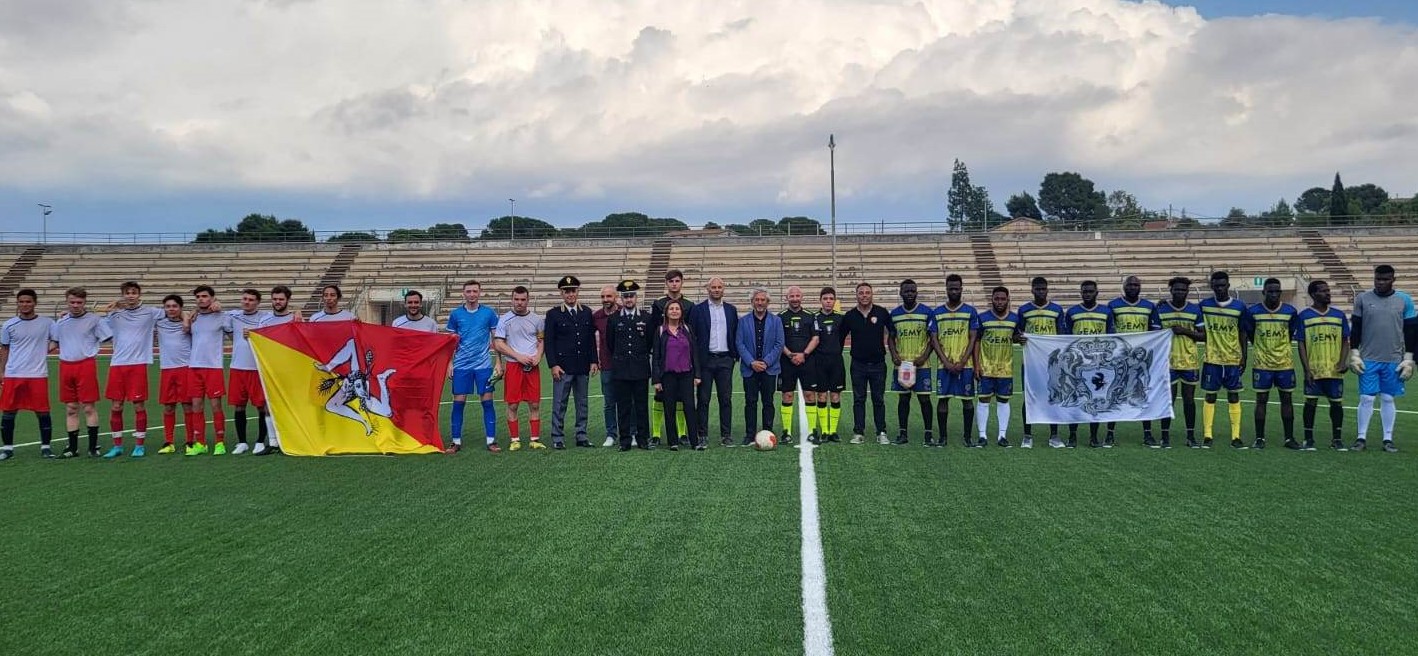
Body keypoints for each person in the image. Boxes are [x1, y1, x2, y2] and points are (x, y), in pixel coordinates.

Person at [1349, 264, 1417, 453]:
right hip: (1368, 358)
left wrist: (1409, 358)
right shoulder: (1362, 298)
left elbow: (1411, 330)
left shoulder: (1404, 300)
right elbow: (1356, 327)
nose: (1380, 282)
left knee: (1388, 398)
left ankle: (1388, 439)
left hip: (1394, 359)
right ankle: (1361, 437)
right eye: (1378, 279)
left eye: (1385, 279)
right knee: (1366, 398)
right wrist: (1354, 353)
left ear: (1393, 280)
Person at [100, 281, 164, 458]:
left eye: (134, 292)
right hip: (117, 364)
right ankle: (117, 446)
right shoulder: (114, 314)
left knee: (138, 405)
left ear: (139, 294)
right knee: (116, 405)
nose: (130, 295)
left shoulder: (151, 312)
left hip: (138, 364)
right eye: (127, 292)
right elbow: (95, 323)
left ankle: (139, 445)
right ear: (122, 294)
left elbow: (175, 312)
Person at [51, 287, 113, 457]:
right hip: (65, 365)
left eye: (79, 302)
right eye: (72, 302)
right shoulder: (60, 322)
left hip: (85, 365)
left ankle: (93, 447)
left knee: (88, 407)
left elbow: (109, 337)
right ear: (67, 302)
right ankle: (72, 448)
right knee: (71, 408)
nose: (76, 305)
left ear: (85, 302)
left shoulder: (94, 320)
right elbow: (53, 343)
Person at [445, 280, 503, 453]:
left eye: (474, 291)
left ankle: (491, 440)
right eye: (468, 291)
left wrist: (499, 362)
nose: (471, 294)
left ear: (480, 293)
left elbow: (496, 339)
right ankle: (455, 441)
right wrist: (449, 363)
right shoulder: (455, 315)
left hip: (484, 366)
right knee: (458, 403)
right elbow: (451, 343)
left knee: (487, 402)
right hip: (461, 366)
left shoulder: (489, 313)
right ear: (463, 293)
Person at [0, 289, 57, 460]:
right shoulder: (8, 325)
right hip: (14, 373)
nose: (25, 305)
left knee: (42, 412)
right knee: (9, 412)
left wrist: (44, 350)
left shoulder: (47, 323)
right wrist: (1, 371)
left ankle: (46, 447)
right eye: (21, 302)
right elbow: (4, 349)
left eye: (28, 301)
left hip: (37, 374)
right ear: (17, 303)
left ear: (35, 303)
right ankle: (8, 449)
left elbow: (55, 341)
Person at [1199, 271, 1251, 449]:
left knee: (1234, 395)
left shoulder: (1239, 307)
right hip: (1211, 359)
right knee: (1210, 396)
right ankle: (1207, 435)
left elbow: (1243, 332)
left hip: (1232, 358)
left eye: (1223, 285)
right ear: (1212, 286)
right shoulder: (1204, 305)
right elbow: (1187, 312)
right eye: (1216, 285)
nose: (1220, 288)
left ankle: (1236, 436)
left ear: (1228, 285)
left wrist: (1244, 355)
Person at [544, 276, 598, 449]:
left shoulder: (586, 312)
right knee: (560, 403)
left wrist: (593, 361)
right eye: (566, 291)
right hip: (563, 367)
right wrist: (553, 364)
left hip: (582, 365)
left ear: (577, 292)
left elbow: (590, 339)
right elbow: (549, 342)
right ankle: (557, 437)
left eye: (573, 290)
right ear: (561, 293)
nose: (570, 294)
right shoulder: (553, 314)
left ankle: (581, 435)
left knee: (582, 403)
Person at [1296, 280, 1349, 451]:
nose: (1328, 293)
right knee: (1310, 403)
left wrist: (1342, 362)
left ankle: (1337, 439)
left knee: (1336, 404)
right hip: (1314, 369)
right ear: (1313, 295)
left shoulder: (1339, 315)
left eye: (1328, 290)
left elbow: (1345, 341)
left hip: (1334, 369)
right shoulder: (1304, 316)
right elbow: (1301, 344)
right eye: (1323, 291)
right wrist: (1306, 369)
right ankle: (1308, 439)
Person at [1106, 276, 1159, 446]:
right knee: (1115, 393)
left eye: (1136, 285)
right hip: (1120, 360)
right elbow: (1109, 331)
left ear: (1140, 287)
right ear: (1124, 287)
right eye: (1130, 285)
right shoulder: (1113, 305)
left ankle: (1148, 434)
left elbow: (1156, 332)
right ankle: (1109, 434)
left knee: (1142, 394)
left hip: (1140, 359)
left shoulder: (1149, 306)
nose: (1133, 287)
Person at [1248, 278, 1299, 449]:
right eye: (1270, 291)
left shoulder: (1290, 311)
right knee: (1261, 399)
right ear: (1263, 292)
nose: (1274, 294)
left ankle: (1289, 438)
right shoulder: (1253, 311)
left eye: (1277, 291)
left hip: (1284, 363)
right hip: (1261, 364)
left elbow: (1290, 332)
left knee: (1287, 399)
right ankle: (1260, 438)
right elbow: (1250, 334)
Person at [1153, 277, 1203, 449]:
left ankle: (1190, 435)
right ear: (1171, 290)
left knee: (1189, 400)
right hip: (1168, 362)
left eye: (1183, 290)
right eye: (1177, 289)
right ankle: (1164, 437)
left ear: (1187, 292)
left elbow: (1204, 335)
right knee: (1169, 400)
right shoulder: (1160, 309)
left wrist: (1184, 331)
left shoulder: (1195, 309)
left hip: (1190, 361)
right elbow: (1154, 335)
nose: (1180, 292)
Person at [495, 286, 546, 451]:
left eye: (523, 299)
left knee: (534, 404)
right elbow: (498, 343)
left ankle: (535, 439)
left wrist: (538, 356)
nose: (519, 303)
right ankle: (515, 440)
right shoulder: (504, 319)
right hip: (514, 365)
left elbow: (541, 340)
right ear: (512, 300)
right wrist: (518, 356)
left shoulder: (537, 320)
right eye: (516, 299)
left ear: (528, 300)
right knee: (513, 405)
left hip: (532, 366)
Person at [1064, 280, 1113, 448]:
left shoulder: (1106, 312)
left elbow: (1111, 337)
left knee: (1096, 400)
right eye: (1084, 291)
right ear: (1081, 293)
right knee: (1076, 399)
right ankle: (1072, 436)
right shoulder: (1072, 312)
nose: (1087, 294)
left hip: (1099, 367)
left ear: (1097, 293)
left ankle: (1093, 436)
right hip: (1078, 366)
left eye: (1091, 291)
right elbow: (1065, 338)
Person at [1017, 276, 1065, 448]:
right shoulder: (1023, 310)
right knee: (1029, 397)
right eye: (1037, 289)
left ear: (1047, 290)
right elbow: (1017, 334)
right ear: (1032, 290)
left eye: (1043, 289)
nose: (1040, 292)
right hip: (1030, 363)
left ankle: (1054, 435)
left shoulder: (1056, 310)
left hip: (1051, 363)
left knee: (1053, 396)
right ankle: (1027, 435)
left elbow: (1062, 336)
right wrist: (1019, 339)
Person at [841, 282, 893, 444]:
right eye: (861, 293)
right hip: (858, 364)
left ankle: (881, 432)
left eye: (867, 293)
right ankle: (858, 432)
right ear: (856, 295)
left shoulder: (882, 312)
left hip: (878, 364)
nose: (864, 295)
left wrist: (895, 353)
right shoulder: (850, 316)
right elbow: (840, 337)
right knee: (859, 399)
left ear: (872, 295)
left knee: (878, 399)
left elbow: (893, 332)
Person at [888, 279, 937, 446]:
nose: (909, 294)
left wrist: (924, 356)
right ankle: (903, 434)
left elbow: (933, 338)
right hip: (902, 365)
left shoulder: (927, 312)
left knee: (924, 400)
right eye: (906, 291)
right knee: (904, 399)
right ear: (901, 293)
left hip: (921, 365)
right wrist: (894, 355)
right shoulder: (894, 314)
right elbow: (891, 338)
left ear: (916, 292)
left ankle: (928, 434)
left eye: (912, 291)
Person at [185, 285, 233, 455]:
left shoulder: (223, 316)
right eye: (198, 296)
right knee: (196, 405)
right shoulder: (192, 317)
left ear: (212, 298)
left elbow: (233, 335)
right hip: (194, 366)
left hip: (213, 366)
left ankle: (220, 442)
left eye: (204, 296)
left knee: (215, 405)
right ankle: (201, 443)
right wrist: (189, 316)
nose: (201, 299)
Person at [690, 277, 737, 447]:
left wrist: (734, 357)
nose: (716, 290)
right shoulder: (698, 310)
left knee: (726, 399)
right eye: (713, 287)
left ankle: (726, 435)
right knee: (703, 399)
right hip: (706, 360)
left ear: (723, 289)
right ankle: (702, 435)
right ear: (707, 289)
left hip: (725, 359)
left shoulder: (731, 310)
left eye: (719, 287)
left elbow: (734, 333)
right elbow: (692, 337)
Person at [607, 280, 654, 451]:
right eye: (625, 296)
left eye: (631, 296)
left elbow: (649, 342)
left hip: (640, 368)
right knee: (624, 406)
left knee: (642, 406)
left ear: (636, 297)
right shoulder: (613, 319)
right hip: (621, 370)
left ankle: (643, 439)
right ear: (621, 298)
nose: (628, 299)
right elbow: (610, 343)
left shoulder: (646, 318)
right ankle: (625, 440)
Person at [932, 274, 977, 448]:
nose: (953, 291)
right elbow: (934, 340)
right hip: (945, 365)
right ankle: (943, 437)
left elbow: (973, 338)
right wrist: (946, 362)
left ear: (961, 289)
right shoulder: (938, 312)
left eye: (956, 288)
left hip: (965, 366)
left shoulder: (970, 312)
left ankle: (967, 437)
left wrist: (963, 361)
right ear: (946, 289)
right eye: (950, 288)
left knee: (967, 400)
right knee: (943, 400)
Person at [255, 285, 301, 455]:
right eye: (275, 299)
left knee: (292, 405)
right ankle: (273, 442)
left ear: (287, 300)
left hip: (291, 370)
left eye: (281, 299)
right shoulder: (265, 321)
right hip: (271, 369)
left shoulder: (295, 320)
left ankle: (294, 440)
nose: (277, 302)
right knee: (268, 405)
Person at [650, 269, 694, 446]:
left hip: (683, 359)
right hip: (663, 359)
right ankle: (656, 433)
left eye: (677, 281)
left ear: (681, 282)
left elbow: (691, 333)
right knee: (660, 395)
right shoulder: (658, 304)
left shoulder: (690, 305)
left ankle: (683, 433)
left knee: (683, 397)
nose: (674, 284)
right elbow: (653, 330)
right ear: (666, 283)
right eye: (671, 281)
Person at [227, 288, 273, 455]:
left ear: (258, 303)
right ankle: (242, 442)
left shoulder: (265, 318)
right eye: (245, 299)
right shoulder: (232, 316)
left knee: (261, 406)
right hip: (237, 368)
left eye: (251, 300)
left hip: (257, 368)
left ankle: (261, 441)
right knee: (239, 406)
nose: (247, 302)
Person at [651, 301, 702, 450]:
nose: (674, 311)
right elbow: (656, 356)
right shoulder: (660, 330)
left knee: (689, 407)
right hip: (668, 375)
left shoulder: (687, 329)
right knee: (669, 408)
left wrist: (697, 374)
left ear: (681, 312)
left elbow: (695, 354)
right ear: (666, 312)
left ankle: (695, 442)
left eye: (677, 308)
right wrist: (656, 379)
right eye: (671, 309)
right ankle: (673, 442)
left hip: (687, 374)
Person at [975, 287, 1022, 448]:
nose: (1000, 302)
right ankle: (982, 436)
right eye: (997, 299)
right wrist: (976, 365)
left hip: (1005, 368)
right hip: (986, 367)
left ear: (1008, 299)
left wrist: (1019, 339)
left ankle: (1002, 435)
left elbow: (1016, 336)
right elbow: (976, 341)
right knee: (983, 400)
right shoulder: (983, 318)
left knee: (1003, 401)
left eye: (1003, 299)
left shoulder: (1014, 319)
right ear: (992, 299)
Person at [737, 289, 785, 446]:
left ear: (767, 302)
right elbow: (740, 343)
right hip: (749, 369)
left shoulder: (776, 321)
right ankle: (750, 434)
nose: (759, 302)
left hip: (769, 369)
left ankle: (768, 431)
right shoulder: (743, 321)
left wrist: (765, 362)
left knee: (768, 402)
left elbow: (779, 344)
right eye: (756, 299)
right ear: (752, 302)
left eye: (763, 300)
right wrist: (752, 362)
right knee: (750, 402)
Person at [778, 286, 818, 445]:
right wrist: (789, 355)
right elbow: (778, 340)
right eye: (791, 296)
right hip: (786, 362)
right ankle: (786, 432)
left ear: (802, 297)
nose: (794, 298)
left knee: (810, 395)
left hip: (807, 361)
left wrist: (804, 354)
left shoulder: (810, 316)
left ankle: (812, 431)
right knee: (787, 395)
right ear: (786, 298)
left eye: (797, 296)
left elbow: (815, 338)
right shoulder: (780, 317)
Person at [154, 294, 195, 454]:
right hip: (167, 369)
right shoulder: (159, 323)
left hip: (185, 367)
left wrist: (186, 318)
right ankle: (168, 442)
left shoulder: (190, 322)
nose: (171, 309)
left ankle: (190, 440)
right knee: (168, 406)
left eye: (174, 306)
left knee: (187, 405)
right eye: (168, 306)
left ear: (180, 308)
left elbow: (194, 312)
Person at [811, 287, 846, 443]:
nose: (828, 301)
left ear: (835, 301)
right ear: (820, 300)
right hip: (819, 362)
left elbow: (843, 337)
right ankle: (824, 431)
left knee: (835, 396)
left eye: (831, 298)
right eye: (825, 298)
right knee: (822, 396)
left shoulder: (841, 318)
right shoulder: (815, 318)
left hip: (836, 361)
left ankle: (833, 431)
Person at [592, 285, 621, 447]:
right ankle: (611, 434)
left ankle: (631, 433)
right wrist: (594, 361)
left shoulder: (624, 312)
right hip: (607, 366)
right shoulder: (597, 316)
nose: (605, 300)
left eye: (609, 296)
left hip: (624, 366)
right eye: (603, 297)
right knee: (609, 402)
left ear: (615, 297)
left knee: (627, 401)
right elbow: (590, 340)